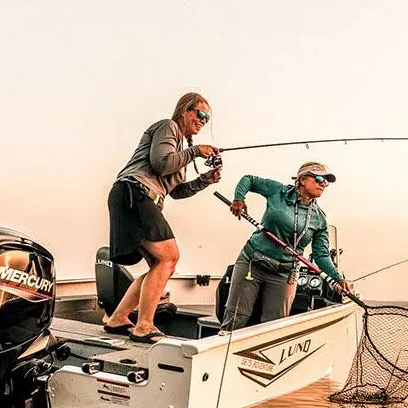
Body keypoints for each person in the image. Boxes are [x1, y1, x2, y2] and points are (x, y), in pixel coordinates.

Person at [103, 92, 221, 343]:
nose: (203, 120)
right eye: (200, 114)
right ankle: (144, 326)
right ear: (184, 111)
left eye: (207, 118)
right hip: (135, 192)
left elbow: (175, 191)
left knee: (160, 263)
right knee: (169, 257)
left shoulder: (181, 149)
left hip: (140, 197)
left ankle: (118, 318)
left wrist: (204, 180)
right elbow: (161, 164)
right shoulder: (168, 127)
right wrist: (196, 151)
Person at [220, 161, 350, 331]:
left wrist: (336, 277)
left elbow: (321, 255)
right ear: (302, 180)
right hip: (252, 263)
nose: (323, 184)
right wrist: (239, 198)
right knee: (236, 318)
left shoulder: (320, 219)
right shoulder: (277, 191)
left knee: (274, 327)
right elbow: (249, 180)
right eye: (319, 178)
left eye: (326, 182)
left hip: (285, 274)